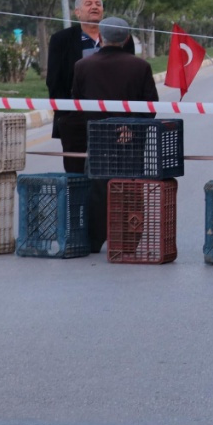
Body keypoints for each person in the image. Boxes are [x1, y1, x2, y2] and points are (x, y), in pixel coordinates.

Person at [72, 17, 159, 252]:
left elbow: (77, 105)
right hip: (130, 140)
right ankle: (129, 240)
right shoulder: (140, 67)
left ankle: (94, 238)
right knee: (130, 187)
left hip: (98, 137)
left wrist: (96, 124)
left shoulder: (83, 66)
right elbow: (150, 106)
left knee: (97, 187)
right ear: (127, 38)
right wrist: (129, 125)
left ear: (101, 37)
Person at [46, 0, 134, 174]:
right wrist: (66, 116)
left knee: (112, 176)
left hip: (115, 120)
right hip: (76, 121)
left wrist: (127, 119)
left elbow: (130, 78)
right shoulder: (61, 40)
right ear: (77, 12)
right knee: (76, 175)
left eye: (98, 4)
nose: (94, 7)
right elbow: (54, 82)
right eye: (88, 4)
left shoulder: (121, 39)